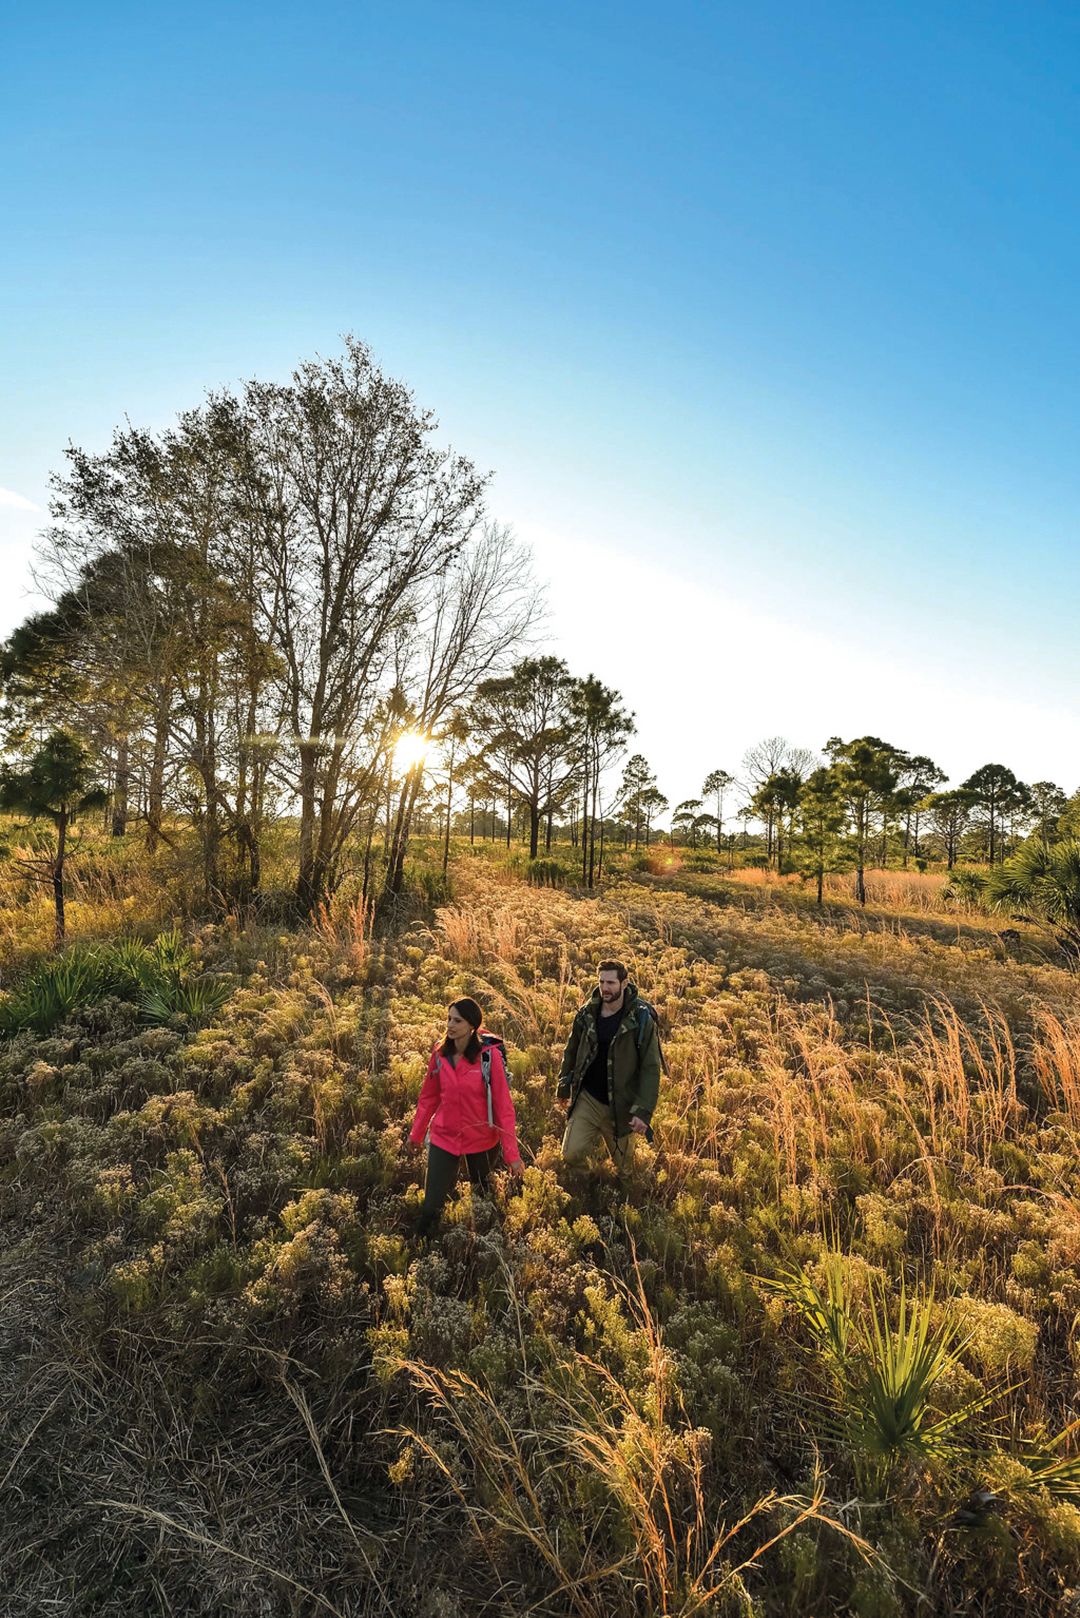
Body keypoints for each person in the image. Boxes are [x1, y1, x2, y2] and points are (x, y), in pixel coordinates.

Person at [409, 997, 523, 1235]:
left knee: (482, 1198)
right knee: (431, 1207)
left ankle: (485, 1249)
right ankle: (424, 1247)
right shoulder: (440, 1054)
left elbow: (503, 1108)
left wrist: (512, 1155)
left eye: (457, 1020)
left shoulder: (488, 1057)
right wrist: (416, 1135)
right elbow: (428, 1098)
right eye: (449, 1019)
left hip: (482, 1139)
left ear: (472, 1026)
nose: (450, 1025)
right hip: (444, 1137)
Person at [557, 959, 661, 1181]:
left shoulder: (639, 1018)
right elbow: (571, 1049)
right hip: (588, 1098)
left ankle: (624, 1201)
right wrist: (564, 1086)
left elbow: (650, 1068)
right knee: (571, 1153)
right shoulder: (587, 1013)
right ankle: (586, 1188)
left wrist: (643, 1111)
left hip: (620, 1105)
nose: (605, 988)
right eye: (602, 981)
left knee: (626, 1168)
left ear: (624, 983)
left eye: (611, 982)